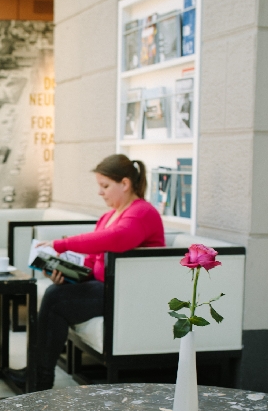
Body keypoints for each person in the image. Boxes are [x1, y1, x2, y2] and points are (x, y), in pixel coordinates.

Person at [9, 154, 165, 391]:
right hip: (106, 288)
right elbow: (94, 261)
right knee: (56, 293)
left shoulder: (142, 212)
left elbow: (117, 240)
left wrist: (62, 244)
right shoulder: (107, 216)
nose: (100, 192)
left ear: (125, 184)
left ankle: (38, 378)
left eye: (105, 186)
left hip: (127, 294)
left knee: (54, 298)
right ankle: (36, 373)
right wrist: (67, 275)